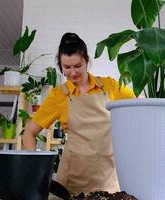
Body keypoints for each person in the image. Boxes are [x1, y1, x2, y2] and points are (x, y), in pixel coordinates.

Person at [22, 32, 135, 195]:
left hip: (107, 177)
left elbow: (140, 104)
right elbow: (29, 133)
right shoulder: (58, 96)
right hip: (72, 180)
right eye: (66, 67)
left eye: (77, 66)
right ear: (60, 65)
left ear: (87, 61)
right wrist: (33, 168)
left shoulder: (109, 86)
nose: (73, 72)